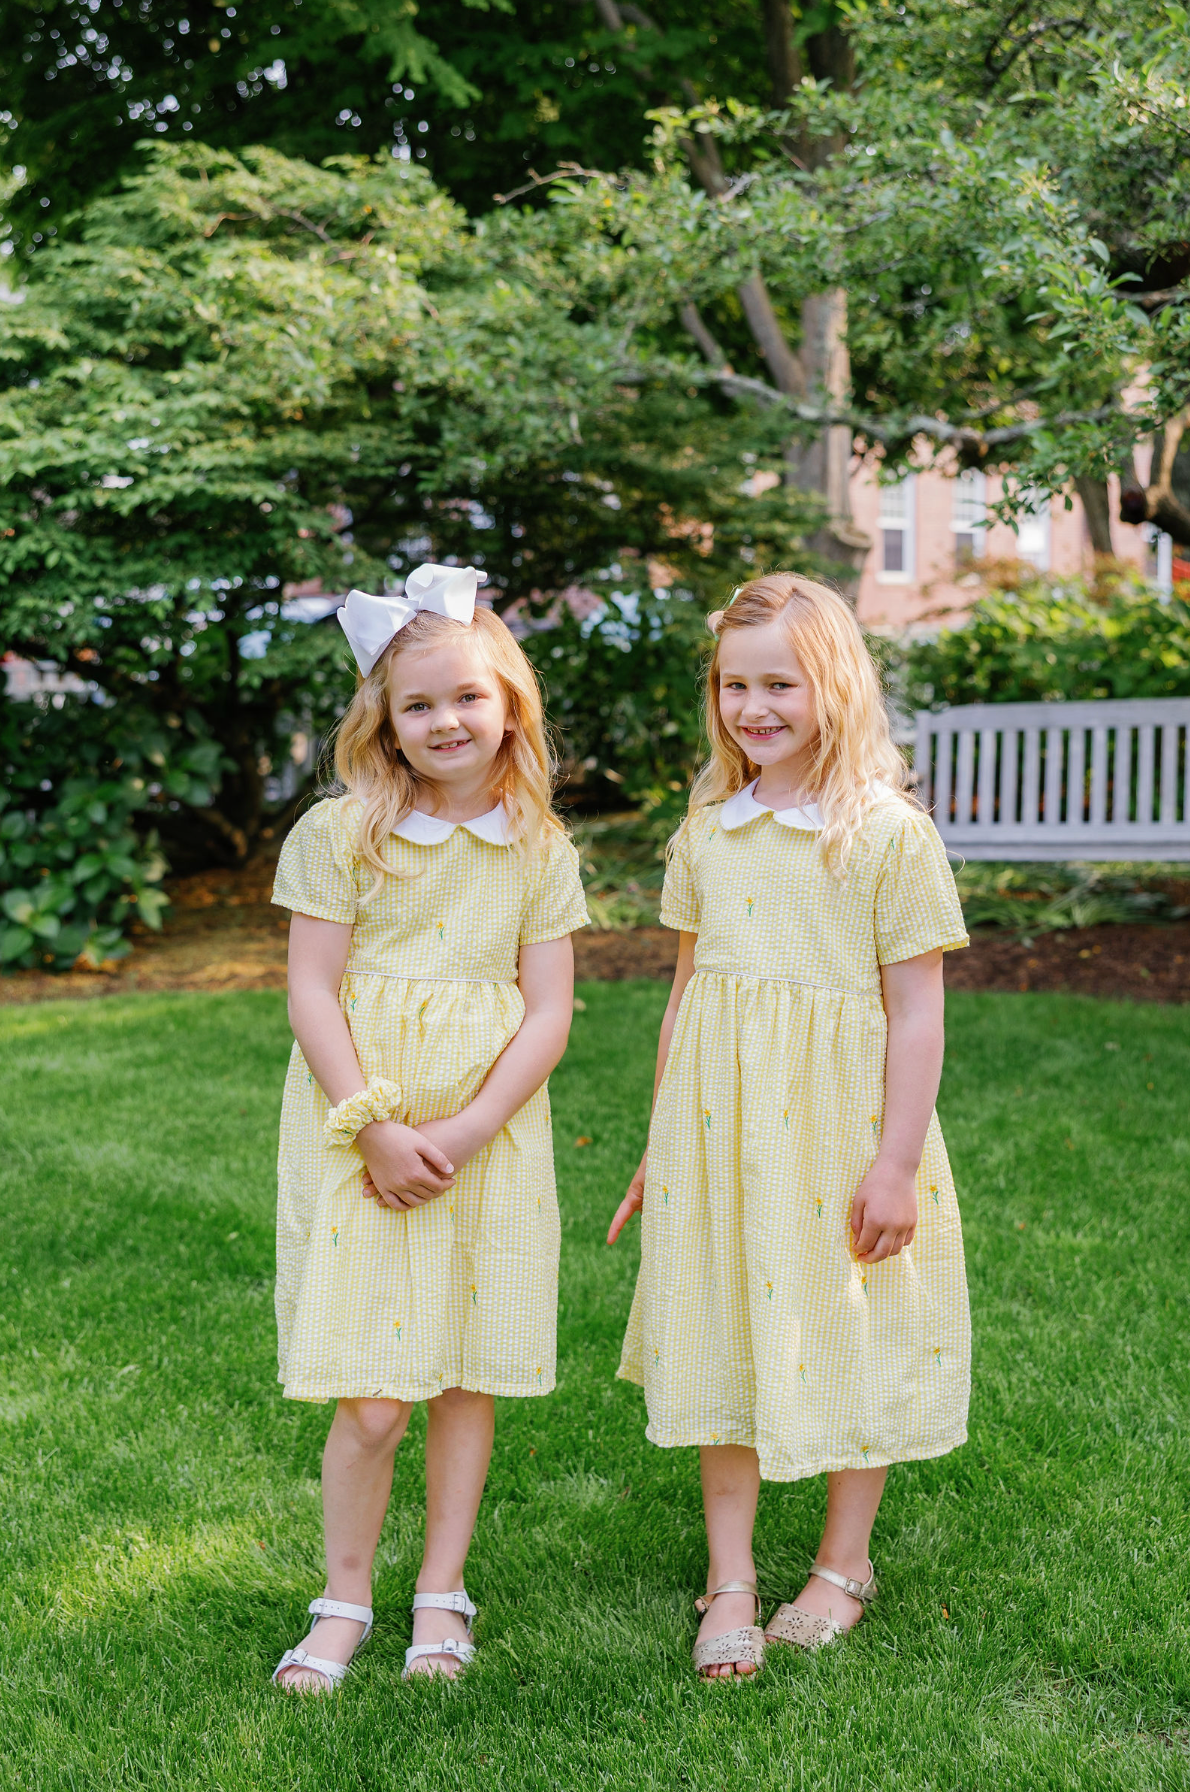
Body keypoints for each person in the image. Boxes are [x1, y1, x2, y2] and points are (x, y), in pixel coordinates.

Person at [608, 572, 971, 1679]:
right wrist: (658, 1139)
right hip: (717, 1132)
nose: (752, 706)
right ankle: (729, 1575)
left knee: (850, 1324)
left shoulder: (886, 835)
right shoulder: (708, 826)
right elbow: (686, 989)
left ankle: (840, 1563)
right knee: (722, 1317)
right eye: (733, 684)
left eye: (779, 683)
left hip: (838, 1126)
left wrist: (896, 1161)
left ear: (835, 686)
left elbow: (914, 1009)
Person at [270, 565, 587, 1693]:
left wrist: (465, 1129)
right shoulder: (339, 832)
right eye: (417, 705)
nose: (444, 721)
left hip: (485, 1142)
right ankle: (342, 1595)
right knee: (370, 1392)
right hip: (364, 1130)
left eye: (464, 697)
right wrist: (373, 1127)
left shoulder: (537, 847)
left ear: (507, 703)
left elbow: (547, 1009)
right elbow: (313, 990)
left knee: (459, 1372)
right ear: (383, 721)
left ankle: (441, 1592)